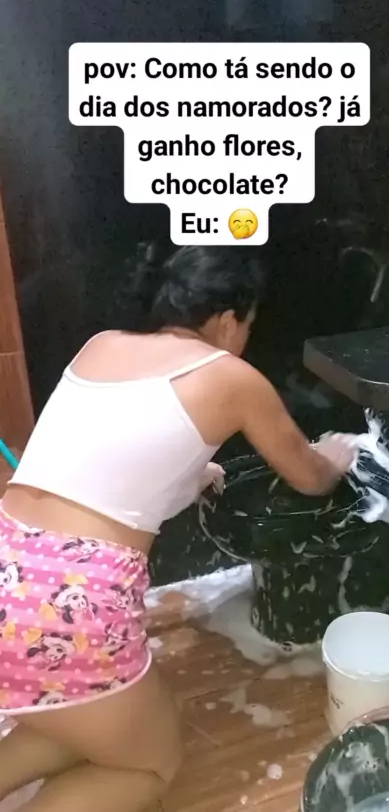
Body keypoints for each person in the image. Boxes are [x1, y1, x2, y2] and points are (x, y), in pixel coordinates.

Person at [0, 247, 357, 812]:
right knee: (149, 763)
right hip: (70, 602)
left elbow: (112, 473)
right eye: (248, 325)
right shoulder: (230, 376)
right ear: (228, 320)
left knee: (79, 722)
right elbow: (309, 478)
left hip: (9, 565)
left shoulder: (101, 344)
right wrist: (334, 457)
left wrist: (192, 474)